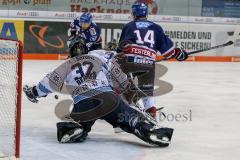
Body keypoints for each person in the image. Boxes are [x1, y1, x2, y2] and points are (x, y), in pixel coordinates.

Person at [23, 37, 173, 147]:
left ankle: (76, 127)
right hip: (108, 98)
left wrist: (33, 92)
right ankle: (145, 128)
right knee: (128, 118)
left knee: (80, 118)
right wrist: (126, 91)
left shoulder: (66, 65)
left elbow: (46, 85)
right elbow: (119, 79)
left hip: (83, 102)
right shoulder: (98, 58)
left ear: (70, 51)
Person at [117, 2, 188, 118]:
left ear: (134, 13)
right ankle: (152, 117)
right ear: (146, 13)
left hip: (129, 63)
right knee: (147, 92)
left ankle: (126, 111)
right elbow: (169, 53)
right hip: (148, 64)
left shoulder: (129, 26)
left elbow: (120, 50)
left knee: (124, 88)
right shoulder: (156, 28)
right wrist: (180, 54)